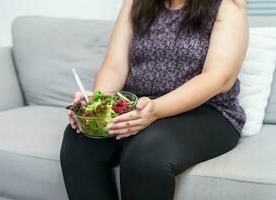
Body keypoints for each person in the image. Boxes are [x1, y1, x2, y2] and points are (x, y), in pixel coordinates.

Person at [60, 0, 248, 199]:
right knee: (81, 140)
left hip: (208, 111)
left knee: (145, 152)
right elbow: (114, 66)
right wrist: (97, 107)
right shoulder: (135, 3)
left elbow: (219, 78)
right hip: (141, 107)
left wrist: (156, 110)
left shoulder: (226, 5)